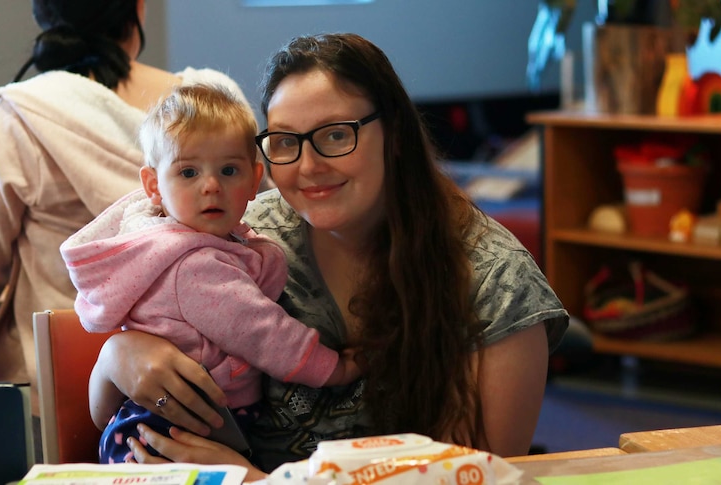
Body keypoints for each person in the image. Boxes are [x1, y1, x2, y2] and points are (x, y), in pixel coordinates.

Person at [89, 33, 569, 480]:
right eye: (284, 142)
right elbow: (98, 412)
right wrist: (116, 357)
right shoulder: (244, 235)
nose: (308, 166)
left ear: (395, 135)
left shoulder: (494, 281)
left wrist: (253, 480)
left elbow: (482, 475)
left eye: (336, 135)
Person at [0, 0, 249, 423]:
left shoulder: (17, 115)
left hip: (56, 398)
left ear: (44, 15)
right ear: (138, 8)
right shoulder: (218, 111)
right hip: (221, 387)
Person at [60, 84, 362, 463]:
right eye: (188, 172)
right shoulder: (195, 265)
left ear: (254, 181)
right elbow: (264, 332)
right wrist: (334, 368)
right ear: (154, 185)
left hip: (155, 420)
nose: (211, 185)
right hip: (177, 429)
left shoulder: (180, 242)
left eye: (229, 170)